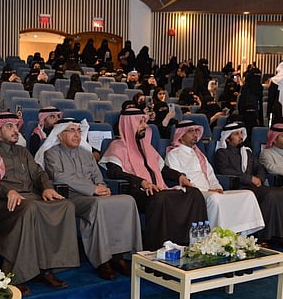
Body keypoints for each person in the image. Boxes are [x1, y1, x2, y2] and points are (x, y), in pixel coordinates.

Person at [0, 113, 79, 295]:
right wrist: (7, 191)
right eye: (9, 126)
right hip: (4, 202)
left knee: (66, 205)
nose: (15, 130)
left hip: (31, 198)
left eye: (16, 126)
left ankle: (46, 268)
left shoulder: (22, 152)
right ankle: (15, 273)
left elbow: (38, 173)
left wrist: (47, 188)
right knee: (31, 208)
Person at [36, 117, 143, 280]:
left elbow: (97, 176)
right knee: (98, 205)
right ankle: (102, 261)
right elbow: (59, 177)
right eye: (71, 131)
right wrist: (93, 189)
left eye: (79, 131)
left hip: (95, 195)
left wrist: (102, 187)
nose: (77, 135)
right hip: (70, 197)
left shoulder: (86, 154)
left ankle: (119, 255)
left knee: (128, 201)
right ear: (59, 135)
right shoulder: (51, 153)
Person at [99, 108, 208, 250]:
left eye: (145, 122)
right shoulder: (118, 146)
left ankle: (191, 244)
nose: (145, 125)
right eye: (141, 122)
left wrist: (179, 176)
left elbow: (163, 169)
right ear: (129, 124)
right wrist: (141, 182)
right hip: (136, 191)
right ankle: (157, 248)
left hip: (157, 189)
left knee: (194, 194)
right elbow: (114, 173)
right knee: (160, 198)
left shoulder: (147, 146)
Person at [165, 120, 265, 236]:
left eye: (196, 131)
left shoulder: (200, 154)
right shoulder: (174, 155)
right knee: (214, 198)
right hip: (194, 194)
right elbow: (181, 181)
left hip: (211, 191)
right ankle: (215, 236)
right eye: (191, 131)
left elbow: (211, 176)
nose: (195, 134)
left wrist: (217, 188)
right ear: (181, 135)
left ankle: (240, 235)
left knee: (248, 195)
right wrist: (208, 190)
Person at [214, 121, 283, 248]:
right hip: (238, 186)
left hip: (255, 186)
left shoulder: (247, 152)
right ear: (227, 138)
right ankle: (263, 236)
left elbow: (259, 168)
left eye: (241, 133)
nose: (240, 136)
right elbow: (225, 171)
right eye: (236, 134)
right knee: (270, 196)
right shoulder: (222, 153)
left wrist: (259, 178)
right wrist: (250, 179)